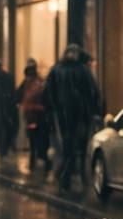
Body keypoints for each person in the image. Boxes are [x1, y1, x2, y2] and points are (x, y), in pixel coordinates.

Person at [44, 43, 101, 192]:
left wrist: (53, 109)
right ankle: (80, 177)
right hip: (81, 114)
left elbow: (48, 92)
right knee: (80, 147)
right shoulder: (83, 70)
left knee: (67, 146)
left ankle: (66, 178)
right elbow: (93, 91)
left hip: (62, 115)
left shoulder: (56, 70)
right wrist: (94, 110)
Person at [16, 59, 50, 172]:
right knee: (38, 139)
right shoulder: (39, 81)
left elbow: (17, 96)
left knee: (34, 139)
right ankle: (41, 160)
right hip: (38, 115)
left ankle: (35, 161)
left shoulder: (27, 82)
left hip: (32, 115)